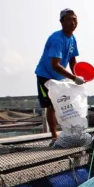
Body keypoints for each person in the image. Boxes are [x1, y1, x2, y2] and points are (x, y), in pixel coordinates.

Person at [34, 8, 85, 140]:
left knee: (62, 103)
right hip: (45, 75)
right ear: (61, 22)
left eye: (74, 19)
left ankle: (68, 131)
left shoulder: (72, 38)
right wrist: (73, 77)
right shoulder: (57, 39)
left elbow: (73, 59)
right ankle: (54, 136)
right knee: (51, 105)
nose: (72, 22)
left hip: (60, 76)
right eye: (68, 20)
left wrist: (77, 76)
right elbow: (55, 65)